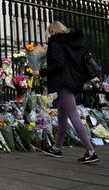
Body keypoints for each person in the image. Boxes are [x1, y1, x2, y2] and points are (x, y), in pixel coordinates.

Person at [40, 21, 99, 163]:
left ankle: (90, 151)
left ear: (53, 31)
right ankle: (57, 147)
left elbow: (58, 64)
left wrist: (42, 72)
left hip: (65, 82)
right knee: (62, 114)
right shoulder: (74, 43)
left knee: (72, 115)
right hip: (76, 81)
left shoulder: (56, 43)